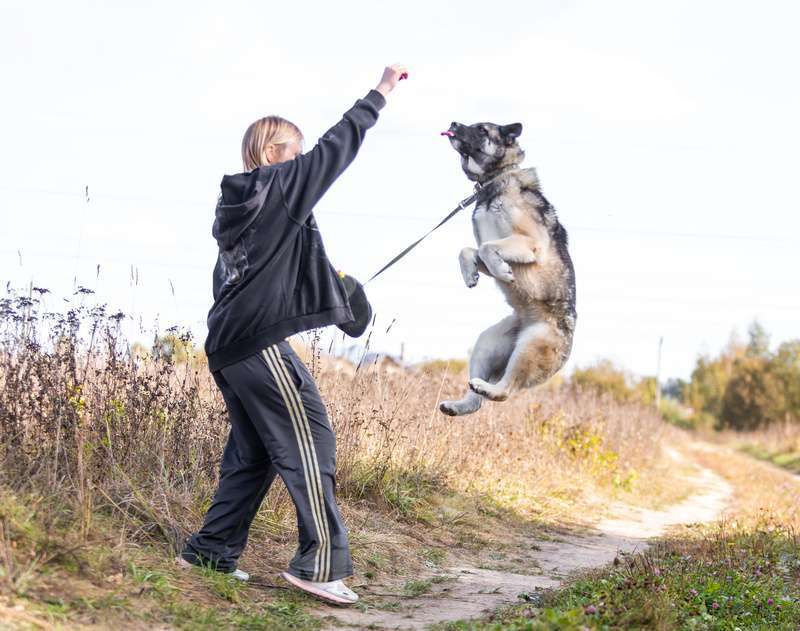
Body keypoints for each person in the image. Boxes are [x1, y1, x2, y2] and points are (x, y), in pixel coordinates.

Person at [176, 64, 408, 605]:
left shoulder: (240, 206)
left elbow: (264, 277)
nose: (304, 159)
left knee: (255, 453)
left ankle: (211, 550)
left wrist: (340, 290)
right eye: (295, 150)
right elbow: (337, 148)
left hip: (229, 346)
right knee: (312, 437)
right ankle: (319, 563)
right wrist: (380, 93)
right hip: (256, 345)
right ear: (273, 152)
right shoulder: (280, 185)